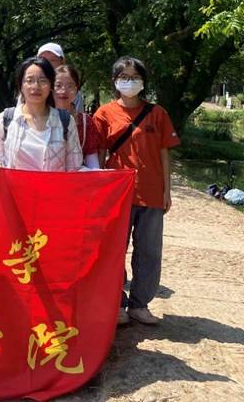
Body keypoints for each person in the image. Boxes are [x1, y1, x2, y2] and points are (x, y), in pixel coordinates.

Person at [93, 56, 179, 326]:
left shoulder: (158, 113)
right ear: (114, 81)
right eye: (124, 77)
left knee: (149, 252)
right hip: (117, 195)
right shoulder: (104, 113)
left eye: (135, 77)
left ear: (143, 81)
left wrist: (167, 191)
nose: (129, 82)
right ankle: (116, 302)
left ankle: (140, 304)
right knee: (114, 252)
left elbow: (164, 153)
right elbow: (99, 154)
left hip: (151, 193)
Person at [0, 57, 82, 171]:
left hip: (53, 183)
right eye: (29, 80)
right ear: (21, 85)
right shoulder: (5, 120)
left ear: (51, 85)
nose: (36, 86)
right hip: (14, 183)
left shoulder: (65, 121)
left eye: (42, 80)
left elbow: (74, 168)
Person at [53, 65, 101, 169]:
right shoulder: (40, 118)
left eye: (70, 86)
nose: (63, 91)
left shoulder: (85, 122)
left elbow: (92, 160)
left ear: (76, 90)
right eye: (58, 85)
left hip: (75, 177)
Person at [37, 42, 84, 112]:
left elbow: (78, 116)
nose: (47, 64)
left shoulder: (73, 92)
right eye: (43, 60)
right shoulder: (31, 88)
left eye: (53, 60)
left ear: (62, 62)